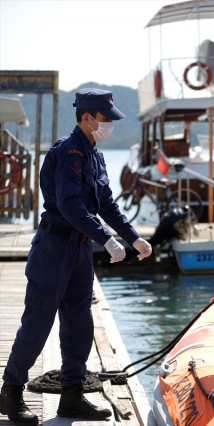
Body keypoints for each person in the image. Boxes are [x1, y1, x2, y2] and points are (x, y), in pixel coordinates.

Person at [0, 89, 153, 426]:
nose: (108, 125)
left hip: (80, 250)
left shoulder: (94, 154)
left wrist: (133, 237)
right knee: (38, 322)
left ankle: (72, 394)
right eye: (105, 119)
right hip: (54, 247)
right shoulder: (68, 151)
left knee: (79, 323)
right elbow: (69, 205)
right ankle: (10, 392)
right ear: (87, 117)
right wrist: (106, 239)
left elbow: (108, 204)